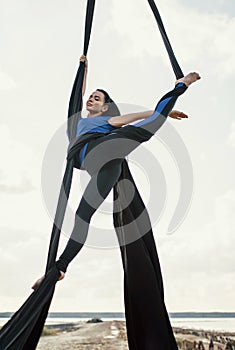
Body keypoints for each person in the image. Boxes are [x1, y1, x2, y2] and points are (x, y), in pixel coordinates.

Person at [32, 55, 200, 289]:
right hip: (102, 169)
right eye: (91, 96)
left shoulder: (108, 120)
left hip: (103, 150)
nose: (91, 99)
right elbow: (76, 97)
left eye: (97, 98)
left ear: (105, 107)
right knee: (82, 218)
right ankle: (60, 268)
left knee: (149, 125)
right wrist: (84, 68)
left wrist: (160, 113)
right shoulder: (77, 121)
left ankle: (181, 85)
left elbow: (138, 117)